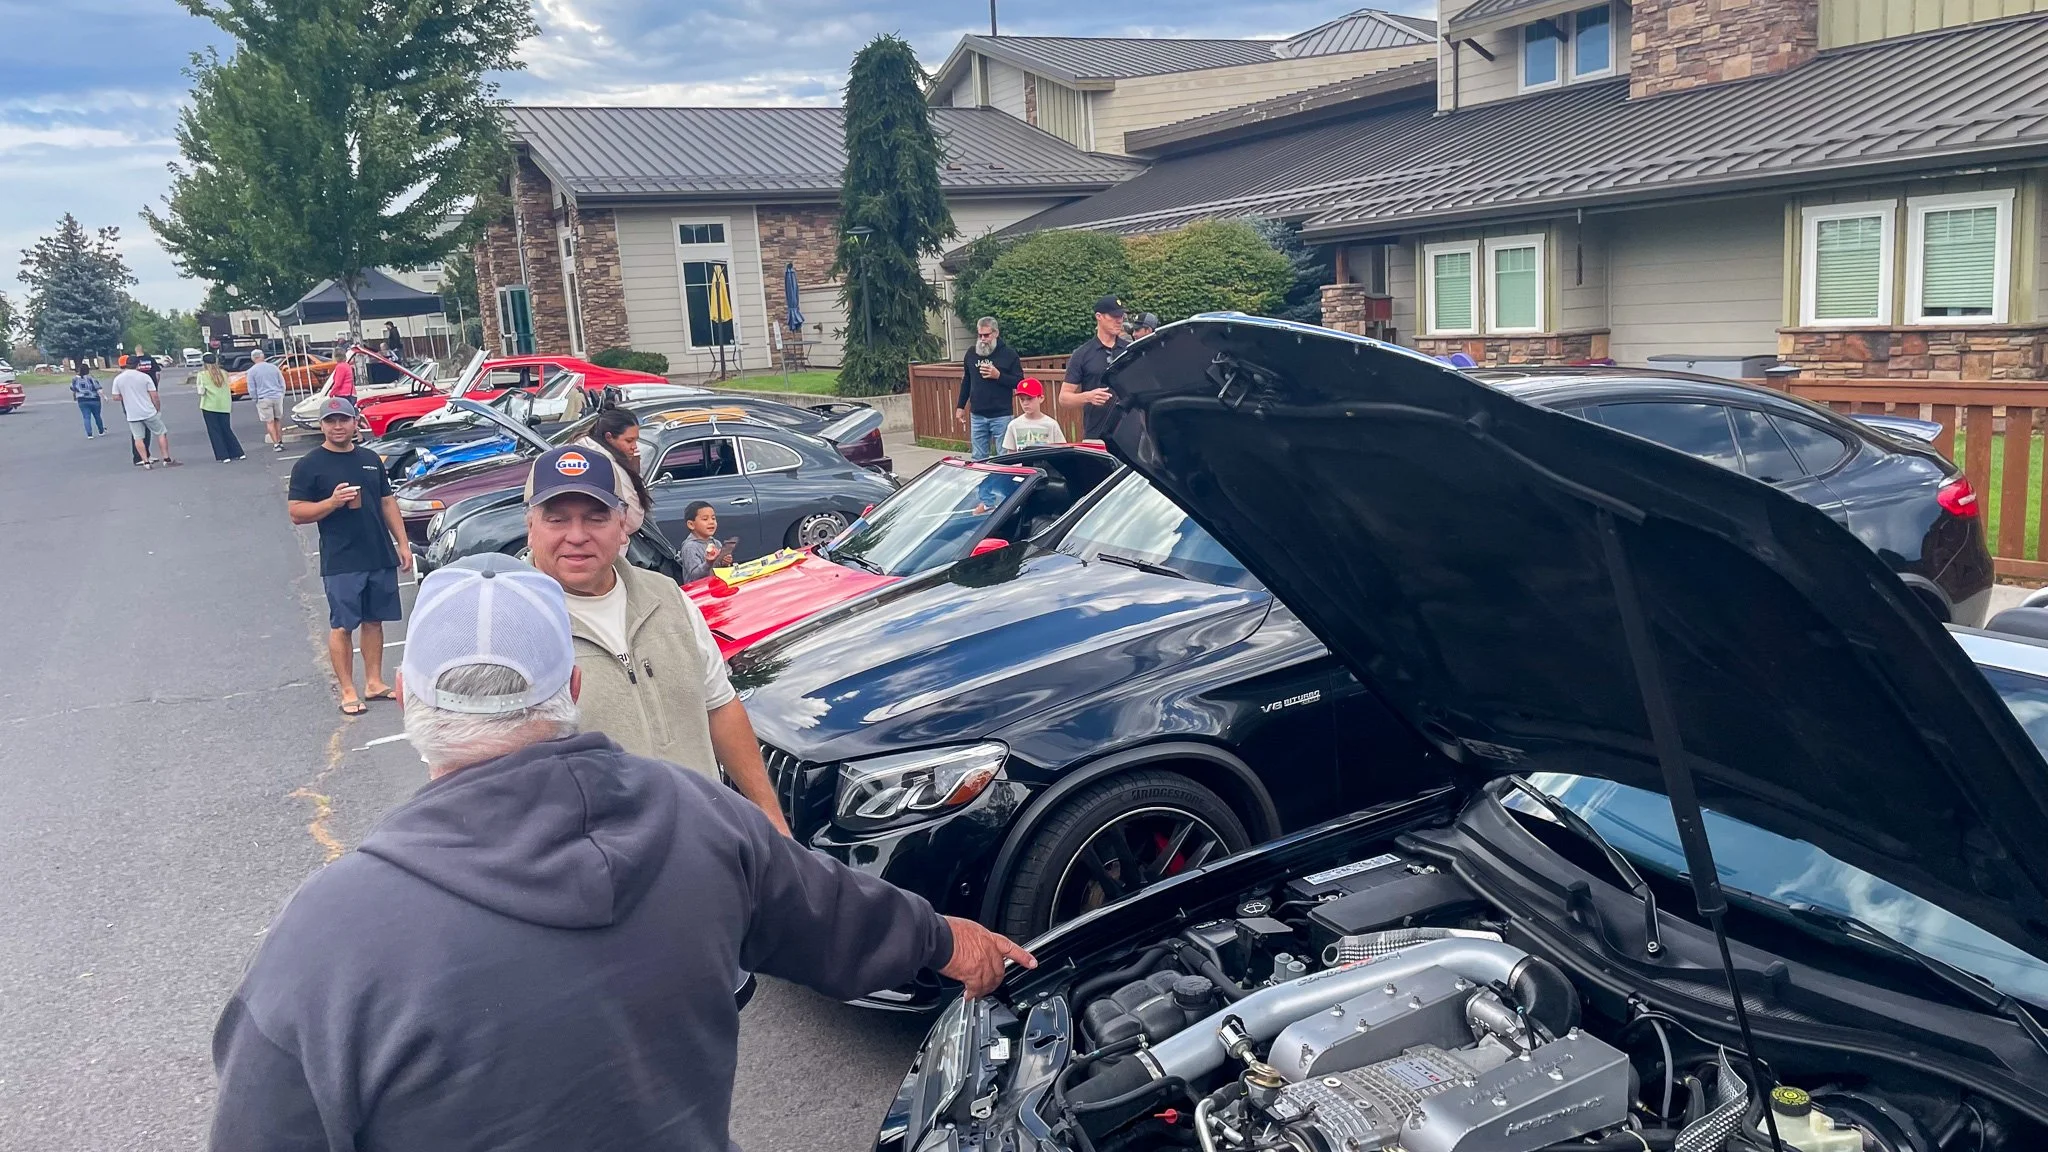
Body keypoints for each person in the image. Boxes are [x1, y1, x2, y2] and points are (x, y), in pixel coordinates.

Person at [205, 553, 1036, 1152]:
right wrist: (950, 940)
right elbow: (834, 914)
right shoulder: (698, 816)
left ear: (407, 701)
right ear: (571, 687)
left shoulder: (331, 937)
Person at [521, 447, 787, 833]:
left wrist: (770, 817)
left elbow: (720, 707)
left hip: (705, 838)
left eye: (596, 518)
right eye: (557, 519)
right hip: (597, 859)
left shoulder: (668, 597)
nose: (576, 536)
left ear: (622, 524)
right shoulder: (510, 624)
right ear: (531, 527)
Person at [288, 397, 412, 715]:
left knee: (374, 621)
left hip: (378, 553)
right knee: (343, 625)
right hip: (341, 560)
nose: (338, 426)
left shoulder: (370, 459)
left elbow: (386, 501)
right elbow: (297, 512)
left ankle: (374, 682)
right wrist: (331, 503)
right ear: (321, 426)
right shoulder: (309, 465)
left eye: (343, 419)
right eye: (330, 421)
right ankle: (348, 690)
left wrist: (403, 543)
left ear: (355, 422)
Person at [955, 315, 1025, 461]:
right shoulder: (971, 353)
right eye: (980, 335)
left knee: (1004, 458)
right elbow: (967, 380)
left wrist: (998, 375)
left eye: (986, 335)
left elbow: (1019, 382)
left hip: (1001, 415)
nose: (982, 339)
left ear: (996, 333)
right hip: (977, 415)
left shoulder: (1009, 354)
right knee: (978, 458)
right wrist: (960, 406)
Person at [1062, 295, 1130, 444]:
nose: (1119, 320)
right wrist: (1087, 397)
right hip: (1096, 436)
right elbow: (1064, 398)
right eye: (1114, 316)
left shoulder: (1129, 351)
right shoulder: (1082, 354)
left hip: (1130, 435)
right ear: (1099, 316)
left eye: (1121, 316)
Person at [574, 406, 651, 537]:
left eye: (635, 440)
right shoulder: (607, 466)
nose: (634, 447)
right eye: (629, 441)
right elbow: (632, 519)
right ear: (609, 437)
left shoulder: (583, 453)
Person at [111, 361, 174, 468]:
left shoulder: (118, 379)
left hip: (132, 413)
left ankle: (145, 461)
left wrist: (126, 397)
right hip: (148, 411)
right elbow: (154, 395)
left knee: (138, 437)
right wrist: (157, 408)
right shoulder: (144, 377)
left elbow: (115, 397)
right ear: (138, 365)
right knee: (161, 432)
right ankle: (166, 458)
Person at [197, 355, 246, 463]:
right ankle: (238, 452)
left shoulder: (202, 375)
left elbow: (201, 391)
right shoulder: (224, 373)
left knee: (215, 431)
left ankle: (223, 455)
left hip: (209, 406)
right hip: (224, 405)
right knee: (226, 429)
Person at [1000, 378, 1065, 452]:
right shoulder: (1013, 425)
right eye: (1022, 399)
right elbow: (1011, 452)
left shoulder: (1052, 424)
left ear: (1041, 398)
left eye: (1029, 398)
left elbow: (1062, 450)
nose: (1025, 403)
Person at [245, 348, 288, 452]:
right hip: (277, 396)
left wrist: (255, 399)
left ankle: (276, 444)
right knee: (278, 420)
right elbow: (282, 382)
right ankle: (280, 441)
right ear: (263, 356)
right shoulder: (274, 367)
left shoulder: (251, 371)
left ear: (253, 358)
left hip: (263, 398)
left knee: (269, 422)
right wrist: (281, 393)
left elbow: (251, 388)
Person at [677, 500, 724, 583]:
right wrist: (708, 563)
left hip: (715, 585)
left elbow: (719, 569)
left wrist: (725, 562)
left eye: (713, 518)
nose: (711, 522)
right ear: (691, 524)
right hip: (699, 589)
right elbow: (695, 576)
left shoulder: (716, 543)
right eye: (705, 519)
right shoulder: (690, 547)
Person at [70, 362, 105, 439]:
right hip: (94, 399)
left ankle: (89, 434)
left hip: (82, 400)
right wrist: (104, 396)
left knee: (86, 417)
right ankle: (101, 431)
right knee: (97, 415)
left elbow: (73, 389)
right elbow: (98, 388)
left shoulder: (75, 379)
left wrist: (74, 397)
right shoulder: (91, 378)